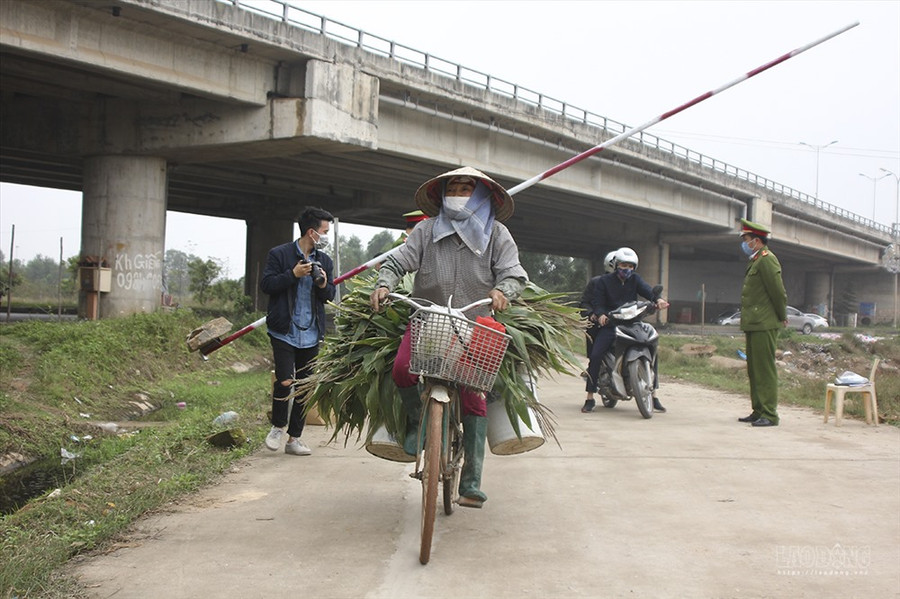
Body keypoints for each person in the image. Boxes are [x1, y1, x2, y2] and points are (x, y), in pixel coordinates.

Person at [370, 166, 528, 509]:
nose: (458, 193)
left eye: (466, 188)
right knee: (401, 370)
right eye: (452, 188)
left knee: (475, 395)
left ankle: (471, 480)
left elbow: (515, 273)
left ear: (482, 196)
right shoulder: (426, 231)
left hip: (476, 321)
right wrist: (384, 283)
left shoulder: (497, 234)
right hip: (429, 318)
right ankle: (416, 427)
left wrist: (504, 290)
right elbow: (397, 262)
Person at [260, 207, 336, 455]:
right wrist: (292, 274)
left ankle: (294, 439)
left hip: (311, 332)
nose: (326, 236)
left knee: (304, 385)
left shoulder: (324, 260)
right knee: (285, 380)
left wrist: (322, 282)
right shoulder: (279, 254)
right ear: (312, 232)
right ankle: (277, 427)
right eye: (324, 231)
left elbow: (330, 295)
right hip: (284, 329)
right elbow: (267, 285)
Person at [580, 247, 669, 413]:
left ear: (634, 267)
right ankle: (590, 397)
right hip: (611, 324)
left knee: (652, 348)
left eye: (630, 266)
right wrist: (600, 315)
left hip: (632, 323)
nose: (626, 269)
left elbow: (648, 291)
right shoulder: (602, 282)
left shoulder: (635, 279)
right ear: (616, 265)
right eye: (623, 265)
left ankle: (654, 394)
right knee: (596, 354)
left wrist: (658, 300)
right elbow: (598, 303)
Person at [736, 218, 787, 427]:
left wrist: (781, 315)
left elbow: (777, 291)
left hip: (765, 323)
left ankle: (770, 414)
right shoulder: (756, 260)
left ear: (756, 241)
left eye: (746, 239)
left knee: (765, 369)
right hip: (754, 323)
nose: (744, 244)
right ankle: (758, 410)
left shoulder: (767, 260)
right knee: (754, 369)